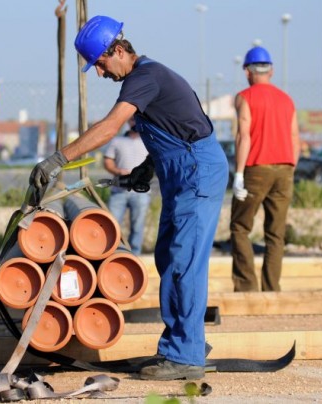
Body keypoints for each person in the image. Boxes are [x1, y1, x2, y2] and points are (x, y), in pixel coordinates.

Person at [29, 15, 228, 380]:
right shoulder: (149, 79)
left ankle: (186, 356)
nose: (101, 74)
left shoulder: (144, 77)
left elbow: (108, 127)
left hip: (196, 174)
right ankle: (188, 342)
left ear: (118, 50)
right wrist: (149, 167)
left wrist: (60, 159)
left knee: (185, 262)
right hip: (181, 174)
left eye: (101, 65)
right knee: (170, 258)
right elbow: (177, 126)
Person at [230, 46, 300, 292]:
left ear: (248, 72)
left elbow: (244, 137)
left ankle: (247, 288)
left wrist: (238, 174)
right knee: (276, 234)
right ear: (271, 71)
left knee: (240, 227)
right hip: (285, 169)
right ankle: (272, 289)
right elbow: (295, 139)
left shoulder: (245, 97)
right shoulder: (287, 99)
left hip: (256, 168)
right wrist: (290, 169)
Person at [103, 117, 151, 255]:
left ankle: (134, 256)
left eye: (137, 119)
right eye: (132, 119)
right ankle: (111, 254)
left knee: (137, 226)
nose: (134, 122)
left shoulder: (148, 141)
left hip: (141, 192)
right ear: (128, 122)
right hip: (119, 190)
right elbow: (108, 161)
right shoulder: (117, 141)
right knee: (112, 225)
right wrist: (118, 171)